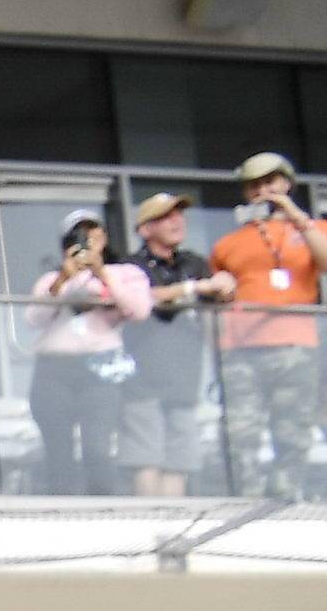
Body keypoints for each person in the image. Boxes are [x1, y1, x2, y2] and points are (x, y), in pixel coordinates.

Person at [210, 152, 320, 498]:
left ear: (287, 183)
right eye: (254, 185)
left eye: (270, 182)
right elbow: (218, 293)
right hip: (242, 348)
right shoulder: (228, 243)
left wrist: (296, 217)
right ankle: (246, 500)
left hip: (296, 345)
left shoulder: (312, 230)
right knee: (241, 433)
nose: (263, 191)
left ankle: (288, 498)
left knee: (293, 430)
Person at [23, 209, 148, 497]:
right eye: (78, 236)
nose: (87, 240)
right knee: (58, 451)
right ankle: (62, 510)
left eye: (93, 233)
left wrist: (101, 273)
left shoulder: (124, 274)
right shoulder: (51, 279)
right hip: (54, 367)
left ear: (103, 238)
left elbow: (139, 310)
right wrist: (62, 280)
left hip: (101, 365)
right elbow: (33, 319)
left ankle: (103, 508)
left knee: (98, 448)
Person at [125, 189, 225, 496]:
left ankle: (174, 518)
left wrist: (225, 285)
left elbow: (215, 303)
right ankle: (148, 518)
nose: (176, 221)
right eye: (165, 217)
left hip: (185, 376)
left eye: (179, 214)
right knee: (146, 454)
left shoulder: (194, 263)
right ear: (145, 229)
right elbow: (142, 297)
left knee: (180, 457)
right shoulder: (130, 265)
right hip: (141, 378)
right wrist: (193, 288)